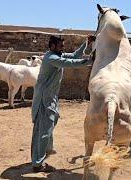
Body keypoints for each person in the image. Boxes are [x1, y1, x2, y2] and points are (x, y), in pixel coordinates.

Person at [31, 35, 95, 172]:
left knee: (48, 127)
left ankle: (42, 155)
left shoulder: (56, 54)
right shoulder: (51, 58)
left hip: (50, 98)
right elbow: (69, 63)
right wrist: (89, 61)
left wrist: (86, 43)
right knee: (43, 131)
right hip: (44, 100)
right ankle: (37, 164)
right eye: (61, 46)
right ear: (53, 46)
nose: (63, 48)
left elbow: (73, 55)